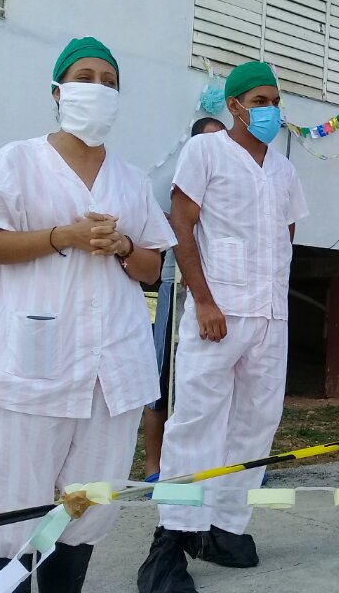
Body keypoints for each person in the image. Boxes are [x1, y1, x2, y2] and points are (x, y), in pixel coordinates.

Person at [0, 37, 176, 592]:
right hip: (30, 363)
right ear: (58, 91)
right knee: (15, 502)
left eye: (109, 80)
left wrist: (122, 246)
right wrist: (64, 236)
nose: (97, 88)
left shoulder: (129, 178)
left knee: (89, 500)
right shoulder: (20, 159)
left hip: (111, 370)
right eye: (84, 76)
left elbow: (151, 266)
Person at [137, 61, 309, 593]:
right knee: (196, 424)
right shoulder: (206, 151)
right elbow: (181, 224)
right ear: (233, 105)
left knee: (257, 424)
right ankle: (170, 542)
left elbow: (286, 236)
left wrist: (275, 305)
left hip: (269, 317)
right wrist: (204, 299)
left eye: (274, 99)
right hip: (217, 313)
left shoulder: (283, 168)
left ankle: (223, 527)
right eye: (259, 100)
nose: (270, 109)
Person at [144, 117, 226, 482]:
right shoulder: (181, 180)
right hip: (178, 284)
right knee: (164, 372)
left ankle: (223, 465)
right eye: (208, 140)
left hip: (222, 289)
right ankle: (154, 466)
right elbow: (173, 225)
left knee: (213, 379)